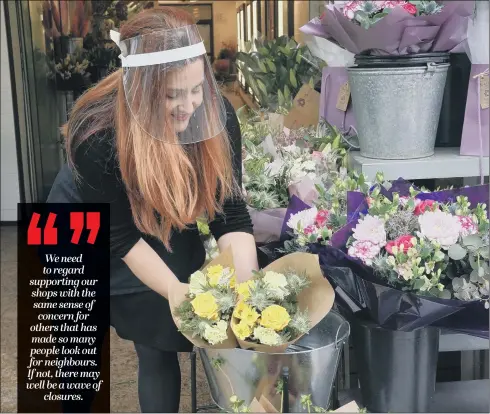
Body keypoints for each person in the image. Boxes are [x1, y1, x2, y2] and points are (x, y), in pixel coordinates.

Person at [48, 7, 258, 413]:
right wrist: (178, 291)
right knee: (76, 347)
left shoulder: (216, 114)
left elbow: (229, 215)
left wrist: (249, 294)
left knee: (159, 336)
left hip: (155, 211)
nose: (189, 107)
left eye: (196, 89)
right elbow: (120, 236)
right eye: (171, 95)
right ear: (138, 91)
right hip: (78, 222)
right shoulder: (95, 132)